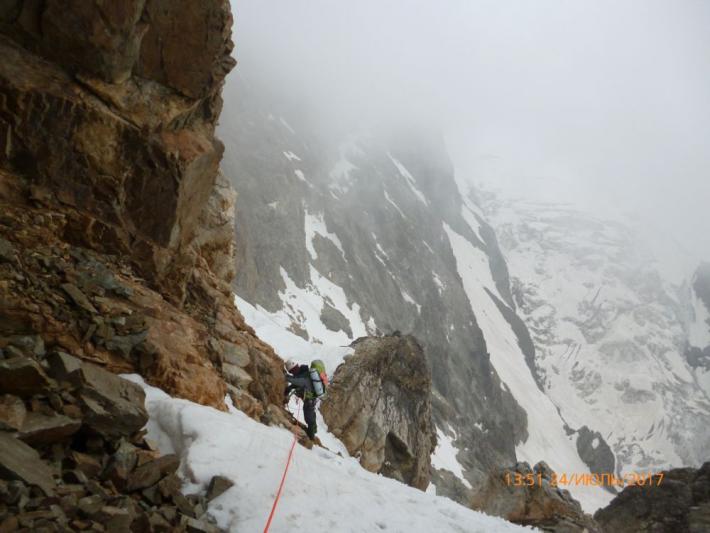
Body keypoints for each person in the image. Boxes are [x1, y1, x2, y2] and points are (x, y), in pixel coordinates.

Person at [284, 359, 318, 439]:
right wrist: (289, 388)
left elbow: (294, 380)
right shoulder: (304, 373)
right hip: (311, 398)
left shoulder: (303, 377)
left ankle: (311, 435)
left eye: (292, 371)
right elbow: (297, 383)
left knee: (308, 416)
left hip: (309, 400)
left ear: (294, 369)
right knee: (310, 414)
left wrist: (285, 375)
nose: (292, 373)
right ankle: (313, 430)